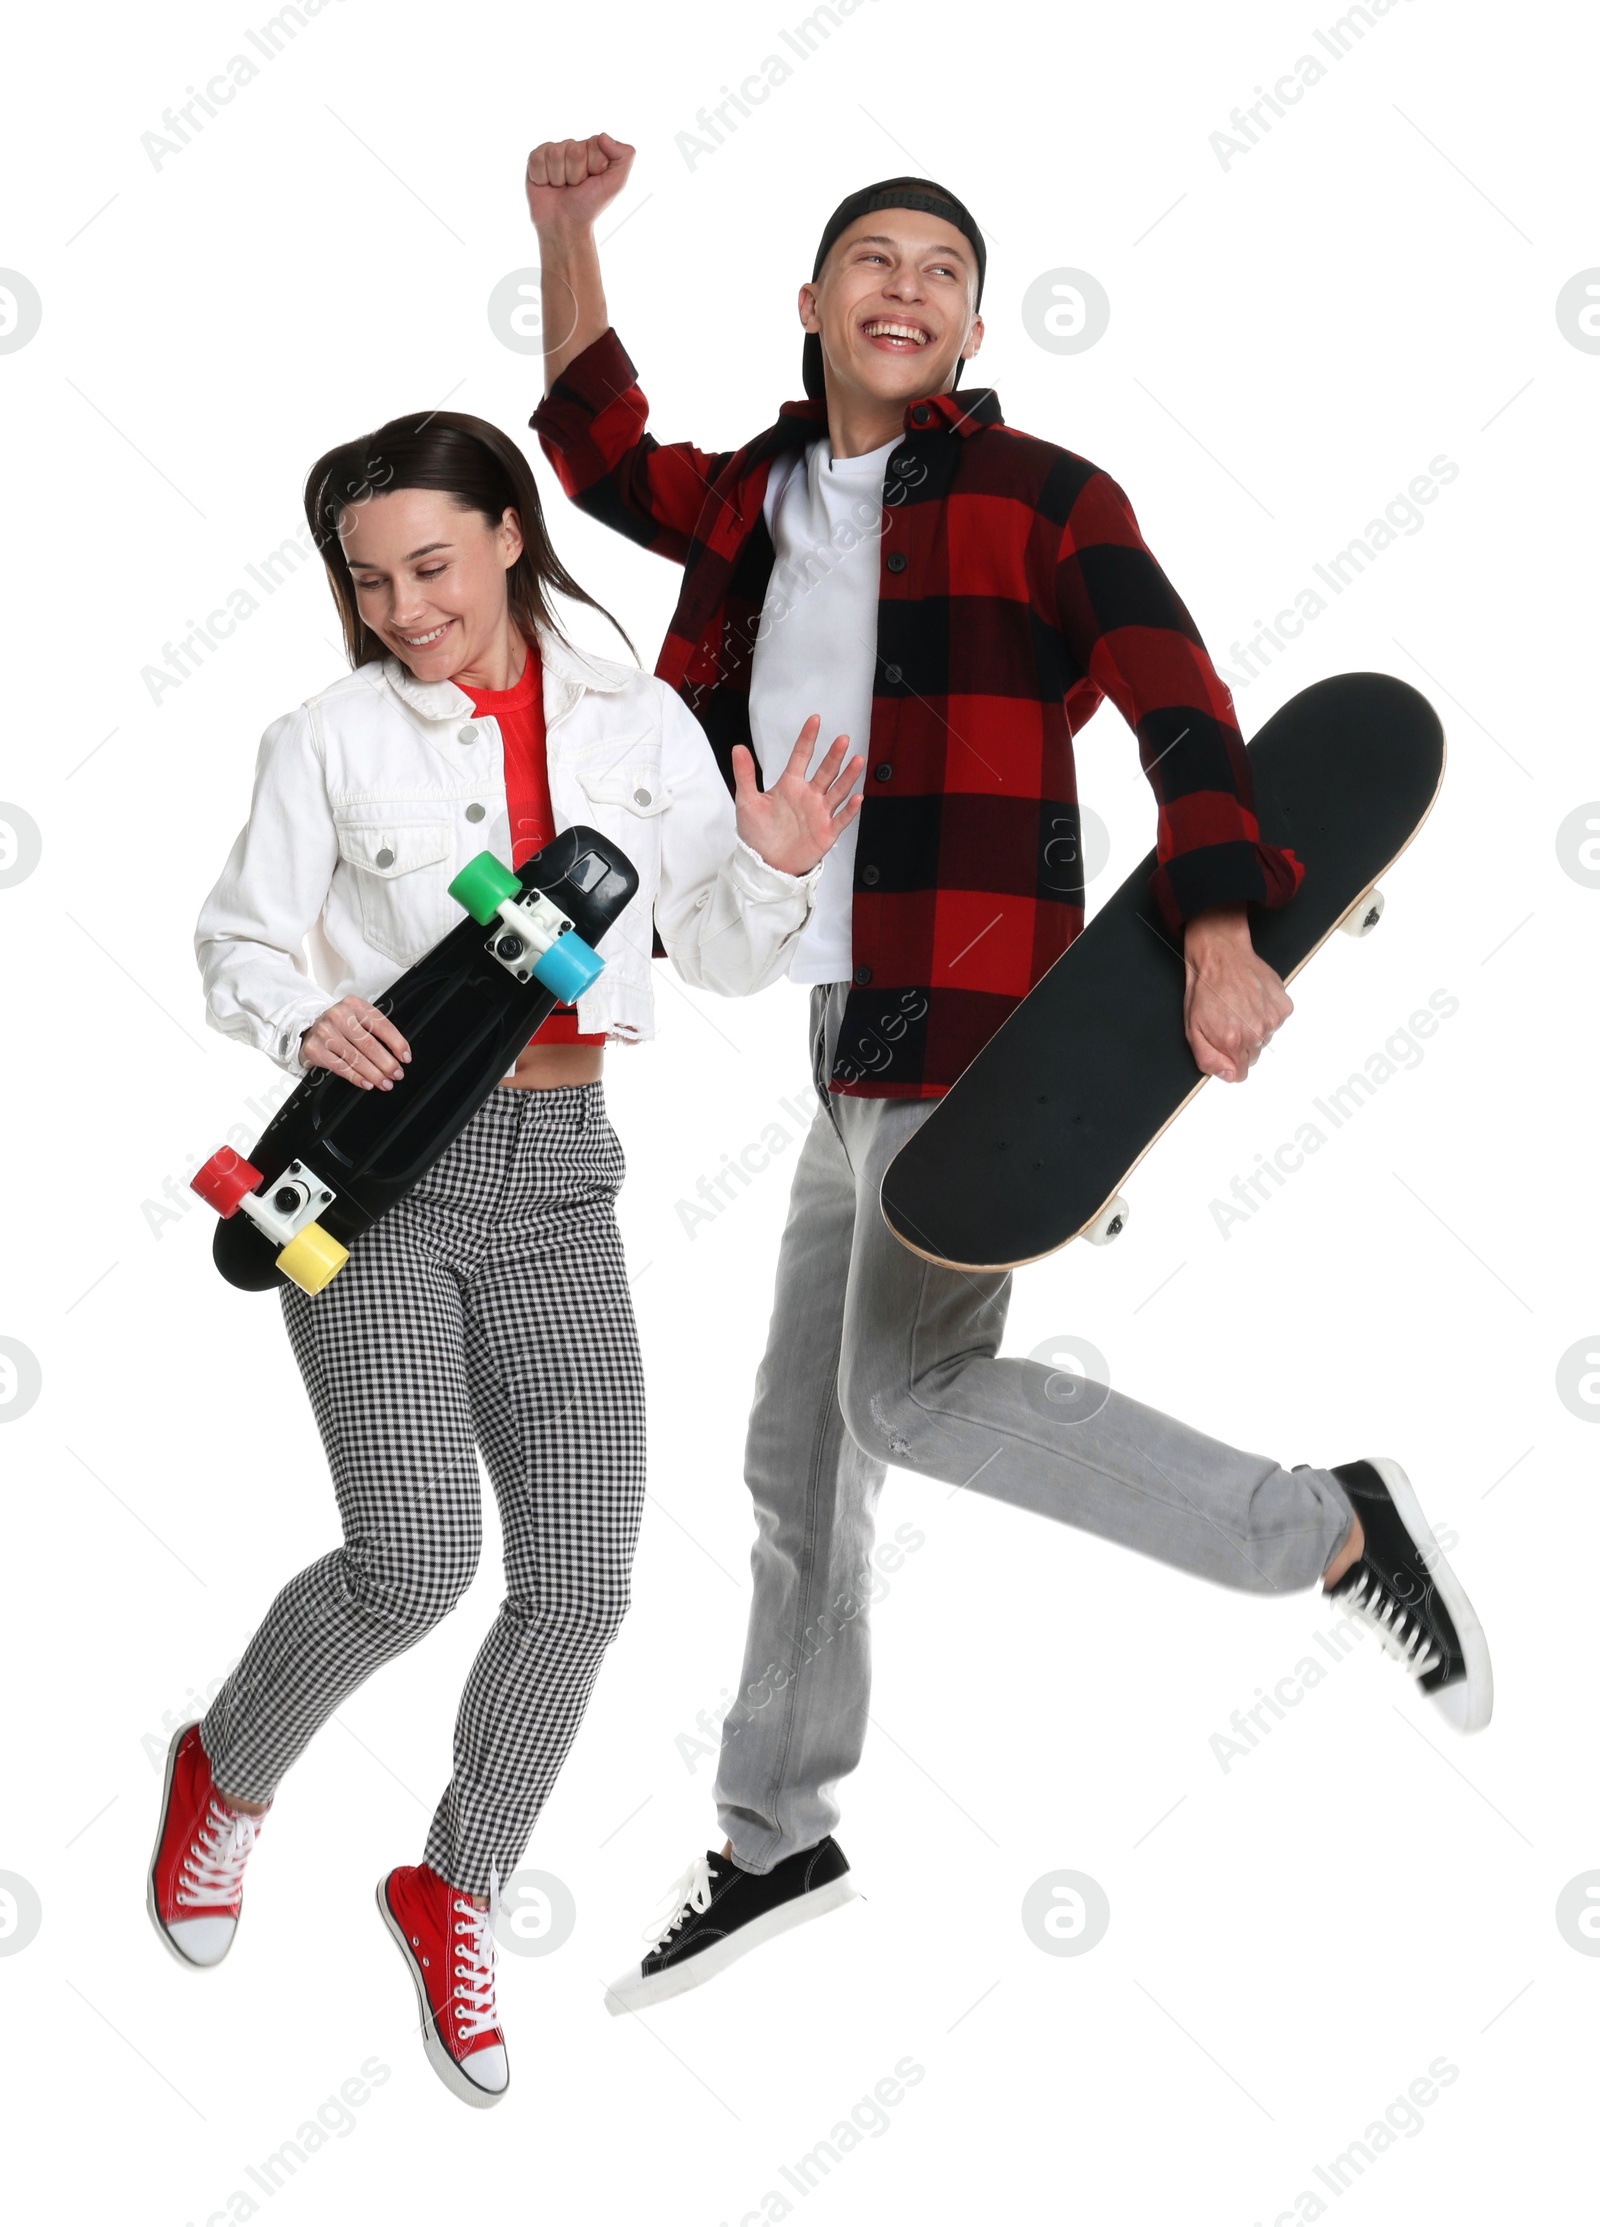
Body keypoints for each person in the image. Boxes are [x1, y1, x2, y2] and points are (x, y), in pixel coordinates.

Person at [521, 135, 1494, 2015]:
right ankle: (773, 1833)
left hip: (967, 1003)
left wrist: (1224, 913)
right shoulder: (745, 502)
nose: (907, 287)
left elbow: (1179, 692)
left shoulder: (1043, 494)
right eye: (871, 259)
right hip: (834, 1021)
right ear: (810, 310)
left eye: (943, 271)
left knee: (905, 1397)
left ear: (966, 327)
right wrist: (565, 233)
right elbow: (589, 438)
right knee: (802, 1445)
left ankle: (1331, 1522)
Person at [147, 408, 864, 2106]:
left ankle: (451, 1884)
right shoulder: (324, 738)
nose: (404, 607)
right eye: (369, 580)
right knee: (407, 1561)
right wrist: (305, 1013)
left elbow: (723, 955)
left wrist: (767, 873)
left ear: (512, 538)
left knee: (582, 1583)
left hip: (561, 1175)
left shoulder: (644, 723)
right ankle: (224, 1772)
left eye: (432, 565)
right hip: (363, 1183)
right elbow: (237, 935)